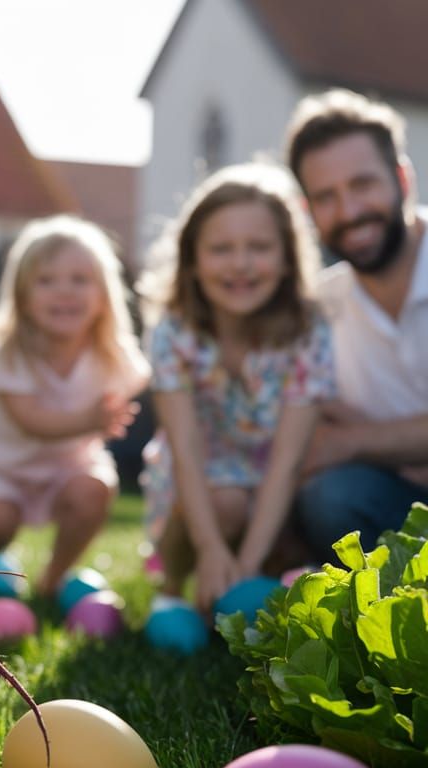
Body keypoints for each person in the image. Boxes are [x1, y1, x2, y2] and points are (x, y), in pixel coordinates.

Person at [138, 163, 335, 613]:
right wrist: (210, 548)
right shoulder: (175, 330)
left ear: (287, 257)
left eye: (259, 247)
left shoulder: (309, 332)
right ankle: (172, 591)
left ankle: (246, 575)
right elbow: (184, 448)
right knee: (225, 502)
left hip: (274, 482)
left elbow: (287, 461)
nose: (241, 264)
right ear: (193, 259)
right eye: (221, 249)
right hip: (196, 483)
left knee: (287, 545)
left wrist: (247, 563)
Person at [0, 215, 150, 597]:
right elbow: (31, 421)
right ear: (22, 296)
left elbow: (139, 382)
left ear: (104, 296)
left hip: (67, 466)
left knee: (95, 489)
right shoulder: (9, 351)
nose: (64, 292)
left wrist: (111, 414)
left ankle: (53, 579)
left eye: (80, 280)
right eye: (46, 281)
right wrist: (91, 419)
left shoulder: (108, 354)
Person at [284, 89, 428, 555]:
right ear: (309, 213)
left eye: (363, 184)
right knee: (333, 497)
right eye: (326, 197)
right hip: (403, 509)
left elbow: (334, 441)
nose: (348, 212)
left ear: (402, 180)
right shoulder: (317, 311)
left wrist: (352, 442)